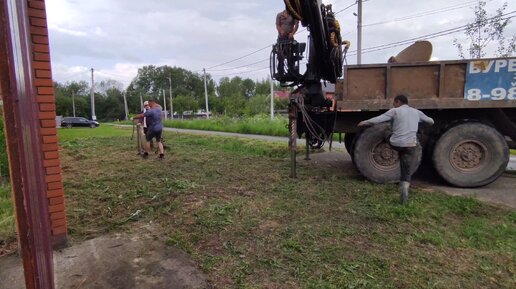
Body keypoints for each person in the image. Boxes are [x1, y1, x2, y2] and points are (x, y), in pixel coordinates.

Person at [358, 95, 434, 204]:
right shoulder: (417, 112)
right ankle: (404, 191)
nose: (393, 104)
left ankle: (396, 151)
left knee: (387, 131)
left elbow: (380, 119)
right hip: (410, 145)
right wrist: (418, 123)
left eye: (394, 102)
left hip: (395, 144)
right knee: (406, 170)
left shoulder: (395, 111)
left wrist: (365, 122)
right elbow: (431, 121)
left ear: (398, 102)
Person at [275, 9, 299, 75]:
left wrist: (292, 33)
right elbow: (277, 25)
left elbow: (296, 25)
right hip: (281, 38)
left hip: (289, 38)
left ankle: (291, 71)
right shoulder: (279, 15)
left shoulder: (294, 15)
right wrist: (280, 31)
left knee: (290, 55)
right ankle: (280, 71)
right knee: (280, 55)